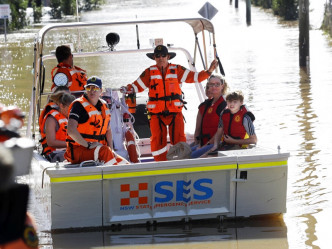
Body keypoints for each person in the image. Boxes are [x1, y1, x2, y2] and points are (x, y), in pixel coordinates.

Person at [121, 45, 218, 161]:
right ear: (154, 58)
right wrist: (127, 89)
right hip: (156, 115)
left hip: (175, 113)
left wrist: (209, 71)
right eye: (157, 56)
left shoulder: (177, 70)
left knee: (179, 140)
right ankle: (160, 164)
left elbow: (195, 77)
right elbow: (136, 86)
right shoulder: (149, 72)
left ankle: (180, 163)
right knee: (157, 143)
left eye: (163, 55)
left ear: (168, 57)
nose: (160, 58)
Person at [64, 76, 128, 165]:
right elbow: (71, 130)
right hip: (78, 150)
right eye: (89, 88)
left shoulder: (104, 106)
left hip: (98, 149)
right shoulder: (78, 105)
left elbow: (108, 129)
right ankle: (114, 176)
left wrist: (111, 149)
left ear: (101, 91)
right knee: (104, 152)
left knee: (125, 164)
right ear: (85, 89)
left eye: (95, 88)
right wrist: (88, 145)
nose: (92, 91)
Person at [191, 74, 228, 158]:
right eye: (211, 84)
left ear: (222, 86)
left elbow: (221, 132)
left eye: (217, 84)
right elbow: (198, 129)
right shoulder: (206, 104)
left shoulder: (225, 104)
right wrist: (198, 144)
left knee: (190, 157)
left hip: (216, 144)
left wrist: (204, 146)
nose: (214, 87)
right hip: (203, 143)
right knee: (182, 154)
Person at [40, 91, 75, 162]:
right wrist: (72, 144)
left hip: (69, 150)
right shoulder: (51, 119)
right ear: (62, 106)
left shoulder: (70, 118)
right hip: (53, 154)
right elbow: (51, 142)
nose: (72, 111)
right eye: (70, 108)